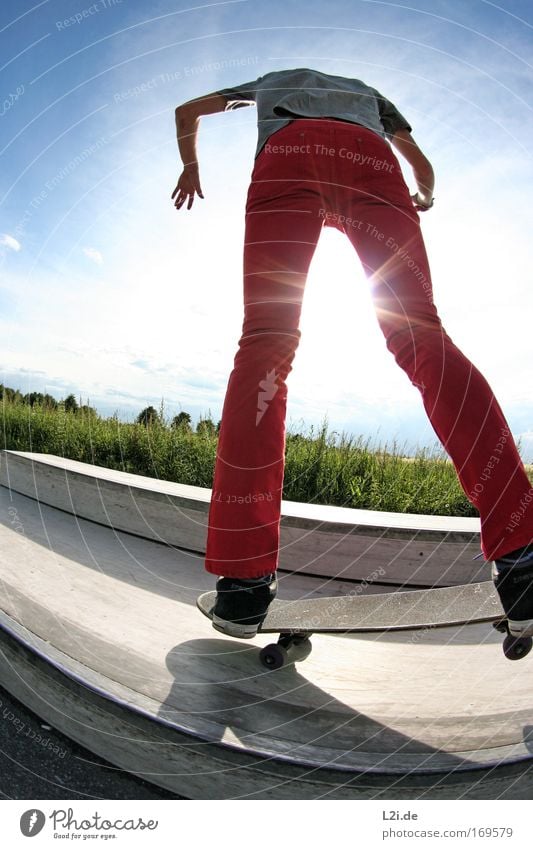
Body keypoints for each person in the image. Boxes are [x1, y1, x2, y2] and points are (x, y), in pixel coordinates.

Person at [172, 68, 533, 640]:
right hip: (371, 162)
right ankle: (524, 555)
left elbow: (187, 110)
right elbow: (420, 162)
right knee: (420, 332)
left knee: (266, 342)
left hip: (286, 156)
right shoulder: (371, 97)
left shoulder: (272, 80)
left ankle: (242, 586)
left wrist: (191, 164)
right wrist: (425, 194)